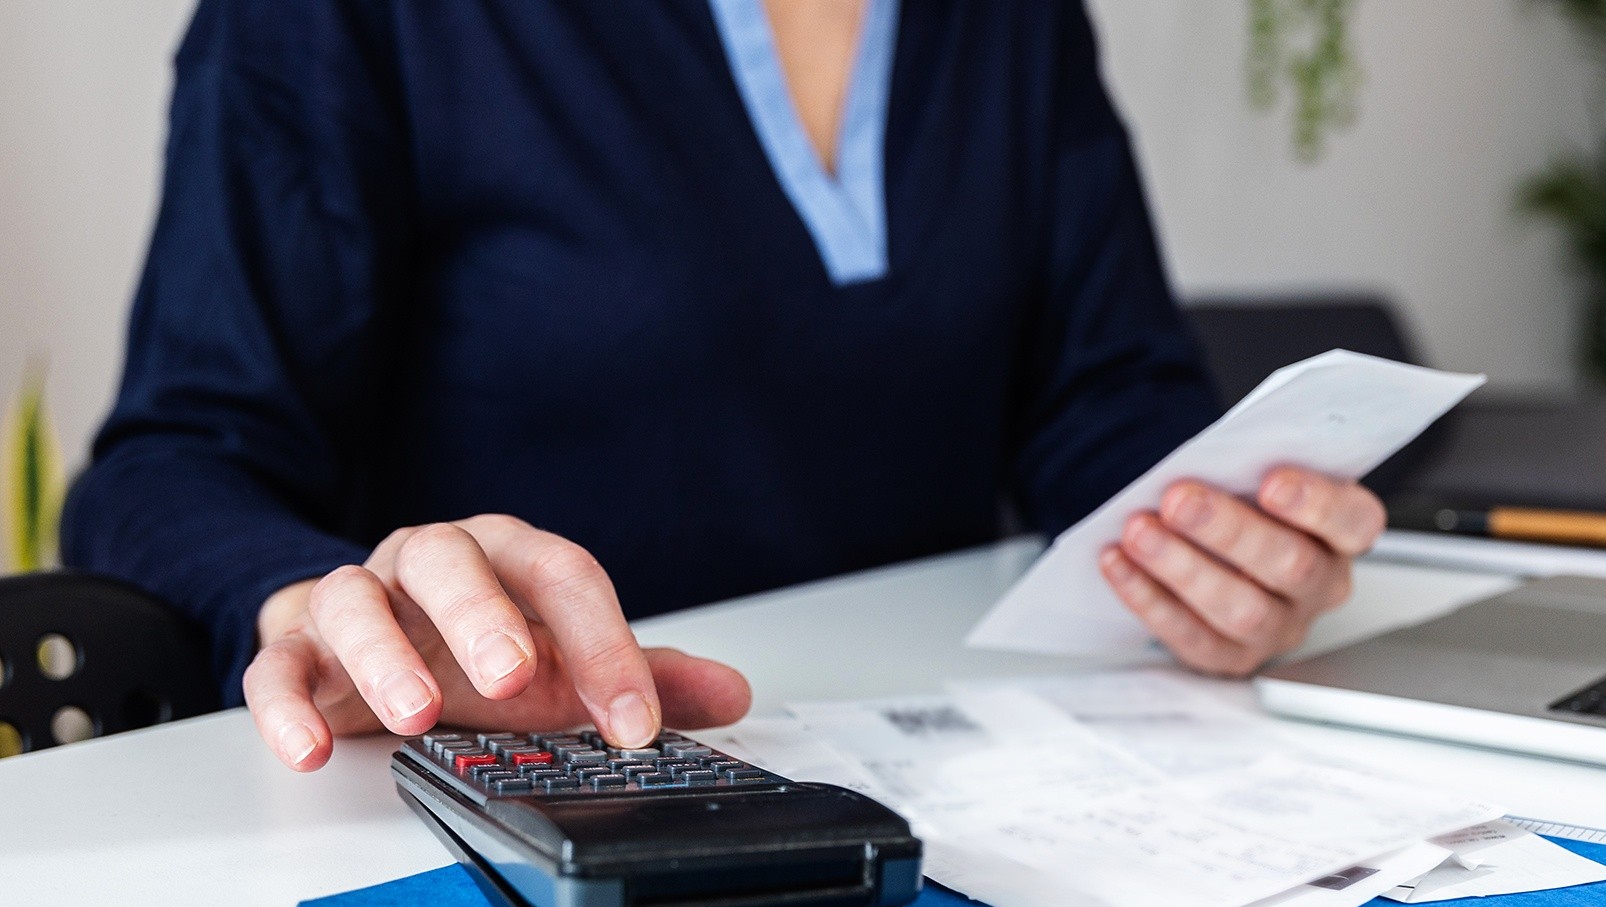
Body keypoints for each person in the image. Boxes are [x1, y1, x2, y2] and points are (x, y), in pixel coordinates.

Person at [64, 0, 1386, 771]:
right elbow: (171, 462)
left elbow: (1104, 400)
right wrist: (329, 608)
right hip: (515, 797)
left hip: (949, 781)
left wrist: (1218, 552)